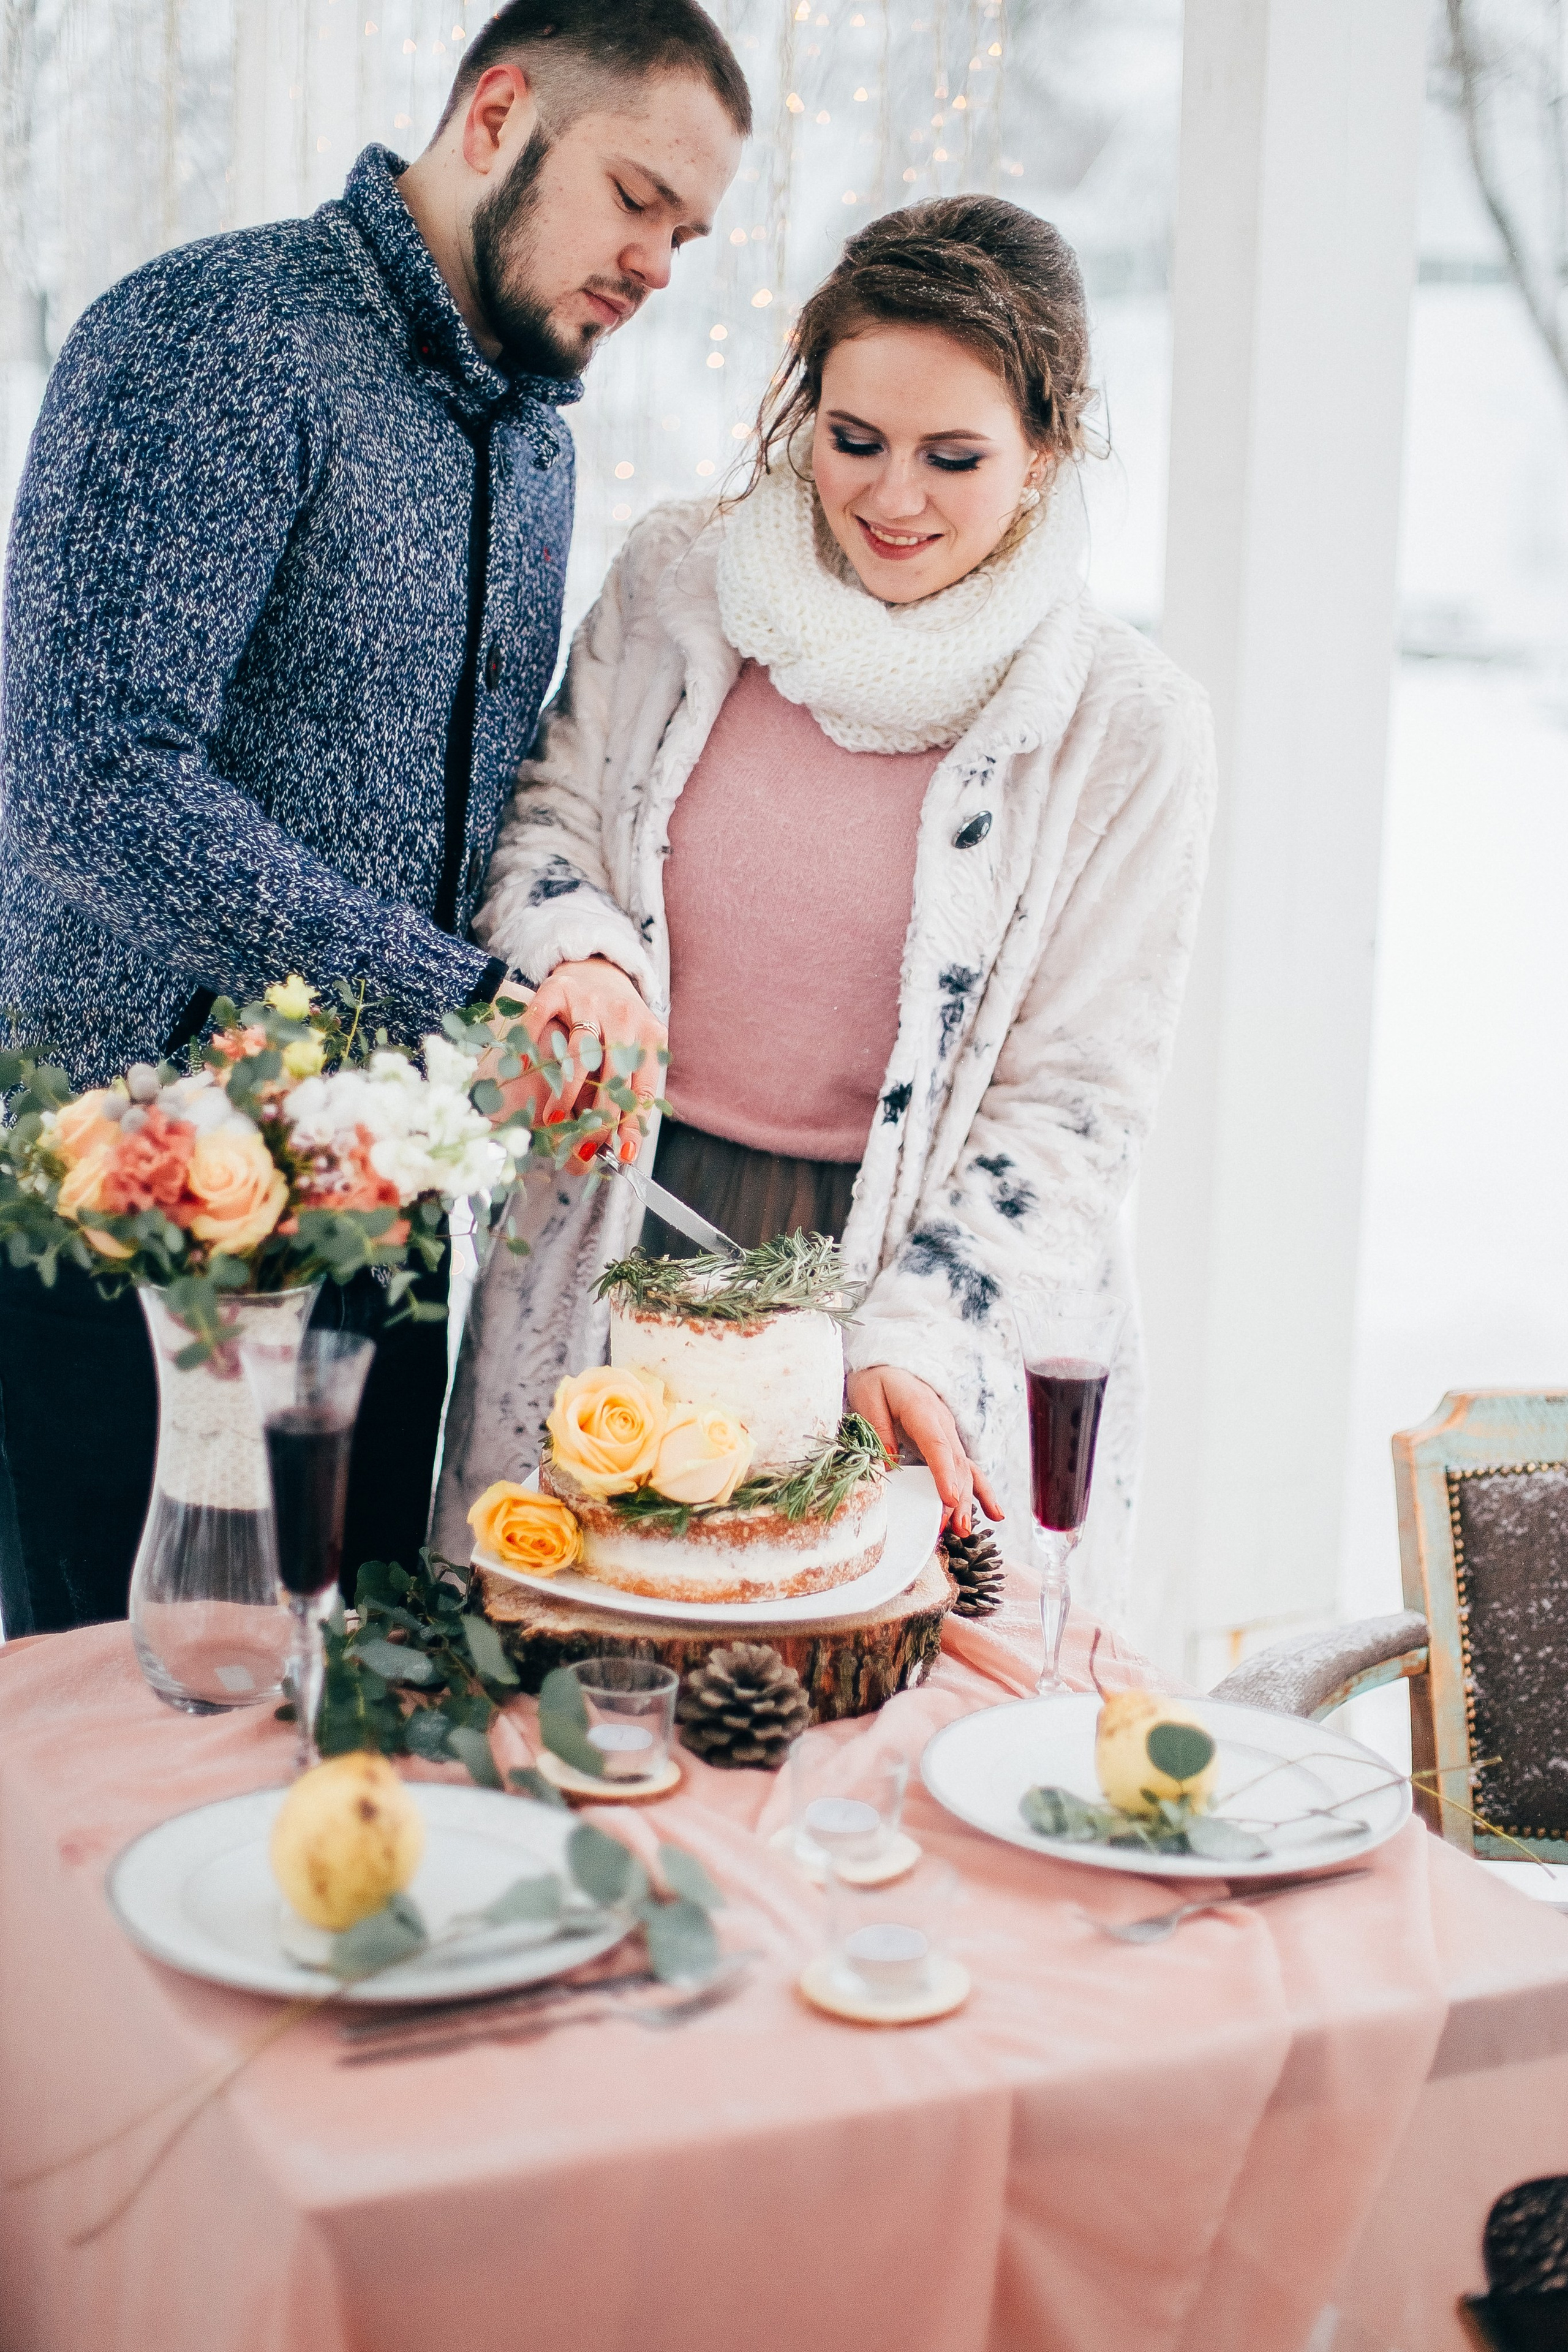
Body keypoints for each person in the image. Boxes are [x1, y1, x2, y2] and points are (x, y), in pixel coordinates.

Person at [0, 0, 747, 1637]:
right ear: (496, 115)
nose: (656, 265)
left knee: (360, 1705)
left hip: (384, 1215)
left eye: (686, 236)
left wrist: (571, 961)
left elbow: (476, 814)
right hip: (130, 1216)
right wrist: (458, 998)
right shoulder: (212, 335)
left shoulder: (532, 441)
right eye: (636, 199)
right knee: (127, 1722)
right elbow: (88, 784)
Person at [434, 198, 1217, 1626]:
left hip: (905, 1278)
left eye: (952, 457)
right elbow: (546, 826)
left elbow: (1073, 1107)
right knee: (572, 1659)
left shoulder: (1126, 729)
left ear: (1045, 450)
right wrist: (581, 955)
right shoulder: (677, 585)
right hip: (630, 1213)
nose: (891, 497)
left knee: (864, 1699)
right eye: (853, 439)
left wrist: (917, 1332)